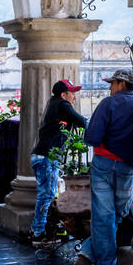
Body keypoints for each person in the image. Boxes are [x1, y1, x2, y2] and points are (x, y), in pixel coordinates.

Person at [67, 68, 133, 265]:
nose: (110, 87)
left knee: (105, 217)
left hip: (103, 165)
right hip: (127, 167)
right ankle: (88, 259)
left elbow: (93, 138)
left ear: (122, 84)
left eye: (112, 83)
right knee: (117, 214)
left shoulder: (108, 103)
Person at [28, 79, 87, 247]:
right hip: (46, 157)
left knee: (48, 194)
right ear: (64, 94)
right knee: (46, 195)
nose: (74, 97)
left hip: (42, 156)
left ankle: (41, 230)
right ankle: (38, 234)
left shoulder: (53, 103)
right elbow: (82, 121)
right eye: (72, 93)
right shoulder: (62, 104)